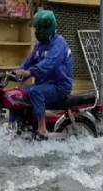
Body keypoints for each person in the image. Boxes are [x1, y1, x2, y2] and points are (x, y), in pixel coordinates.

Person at [12, 9, 73, 140]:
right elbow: (28, 61)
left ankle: (42, 129)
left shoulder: (59, 43)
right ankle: (19, 127)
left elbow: (49, 63)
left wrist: (30, 72)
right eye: (36, 27)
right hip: (44, 85)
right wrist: (16, 71)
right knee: (17, 95)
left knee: (36, 92)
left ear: (47, 27)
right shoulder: (39, 45)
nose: (36, 31)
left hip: (59, 87)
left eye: (39, 28)